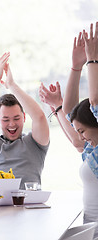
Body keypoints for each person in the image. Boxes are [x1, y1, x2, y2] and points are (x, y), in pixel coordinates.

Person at [0, 52, 50, 189]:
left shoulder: (34, 143)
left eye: (16, 118)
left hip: (28, 207)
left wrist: (12, 85)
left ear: (24, 117)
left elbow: (40, 117)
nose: (12, 124)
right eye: (6, 119)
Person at [62, 24, 98, 238]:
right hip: (89, 229)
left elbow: (94, 101)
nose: (80, 136)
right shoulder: (92, 151)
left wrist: (93, 60)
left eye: (82, 130)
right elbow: (69, 112)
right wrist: (76, 67)